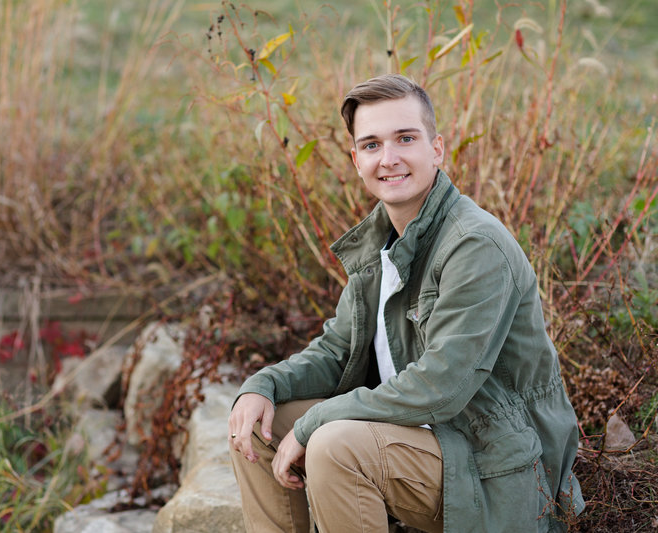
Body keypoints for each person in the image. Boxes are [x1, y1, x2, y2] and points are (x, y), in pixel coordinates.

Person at [227, 74, 584, 533]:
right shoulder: (381, 243)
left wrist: (313, 422)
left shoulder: (475, 245)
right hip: (425, 447)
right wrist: (263, 386)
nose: (389, 158)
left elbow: (441, 385)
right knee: (255, 426)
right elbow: (337, 352)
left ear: (436, 149)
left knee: (334, 443)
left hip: (496, 467)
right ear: (356, 159)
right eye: (372, 145)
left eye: (405, 139)